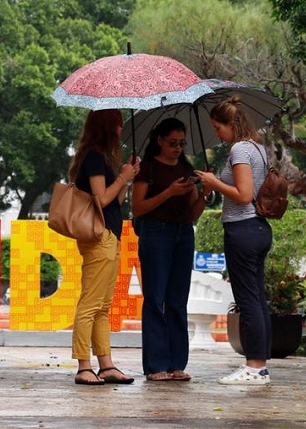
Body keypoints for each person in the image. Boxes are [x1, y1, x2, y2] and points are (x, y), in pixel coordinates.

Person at [195, 96, 273, 385]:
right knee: (256, 298)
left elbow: (243, 195)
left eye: (218, 127)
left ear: (232, 124)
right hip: (258, 228)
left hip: (242, 228)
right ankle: (260, 365)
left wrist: (214, 182)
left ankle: (253, 366)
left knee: (247, 299)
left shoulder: (240, 149)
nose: (217, 133)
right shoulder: (258, 148)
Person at [131, 118, 208, 382]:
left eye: (182, 144)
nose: (177, 148)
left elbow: (193, 212)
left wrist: (205, 195)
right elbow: (138, 208)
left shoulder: (186, 168)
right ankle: (155, 365)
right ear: (160, 140)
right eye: (173, 143)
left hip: (183, 234)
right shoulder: (148, 168)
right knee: (155, 299)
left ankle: (177, 363)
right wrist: (168, 192)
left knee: (177, 300)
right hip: (156, 233)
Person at [68, 109, 139, 385]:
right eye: (119, 125)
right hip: (99, 238)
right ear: (107, 128)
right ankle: (84, 365)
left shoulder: (100, 159)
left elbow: (115, 201)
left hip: (109, 235)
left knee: (102, 306)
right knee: (90, 304)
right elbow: (101, 199)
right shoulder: (94, 158)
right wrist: (122, 177)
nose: (122, 131)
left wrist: (127, 176)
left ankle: (106, 363)